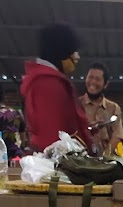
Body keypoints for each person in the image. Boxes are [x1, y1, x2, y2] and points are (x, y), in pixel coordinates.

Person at [21, 23, 91, 152]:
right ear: (62, 51)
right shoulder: (48, 85)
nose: (77, 57)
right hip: (60, 167)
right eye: (74, 50)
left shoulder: (48, 81)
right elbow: (53, 139)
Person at [79, 62, 123, 156]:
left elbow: (117, 136)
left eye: (97, 79)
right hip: (80, 160)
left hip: (106, 162)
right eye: (90, 77)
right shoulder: (77, 104)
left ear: (105, 84)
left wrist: (104, 158)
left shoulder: (113, 108)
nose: (93, 82)